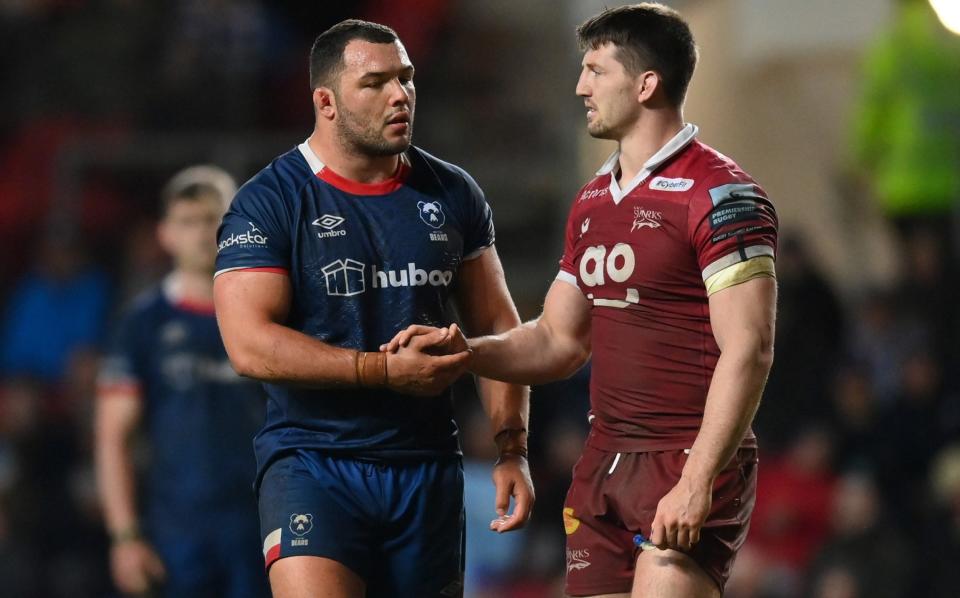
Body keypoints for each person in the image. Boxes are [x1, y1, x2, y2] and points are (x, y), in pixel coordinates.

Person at [386, 4, 778, 597]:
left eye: (596, 70)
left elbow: (749, 348)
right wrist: (465, 353)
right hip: (604, 462)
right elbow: (557, 341)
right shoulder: (593, 200)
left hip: (684, 455)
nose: (580, 86)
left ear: (647, 84)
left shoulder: (719, 194)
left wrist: (698, 478)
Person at [212, 19, 533, 598]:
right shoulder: (269, 201)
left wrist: (512, 448)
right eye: (376, 82)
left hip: (427, 465)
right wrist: (380, 370)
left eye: (407, 79)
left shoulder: (453, 192)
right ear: (325, 101)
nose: (399, 95)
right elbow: (249, 344)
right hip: (312, 461)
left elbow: (495, 326)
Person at [95, 166, 269, 598]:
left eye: (212, 219)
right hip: (178, 528)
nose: (200, 233)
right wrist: (125, 537)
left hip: (267, 521)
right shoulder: (142, 324)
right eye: (187, 222)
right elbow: (112, 434)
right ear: (165, 234)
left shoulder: (272, 313)